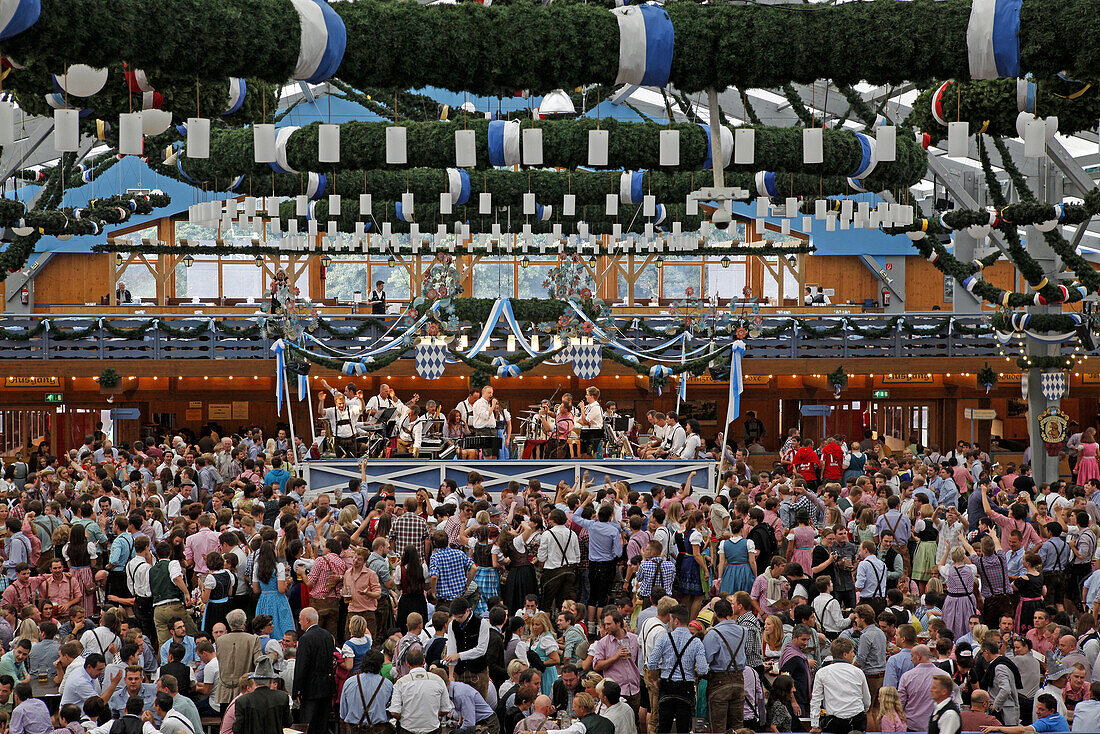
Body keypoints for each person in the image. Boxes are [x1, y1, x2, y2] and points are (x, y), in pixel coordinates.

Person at [646, 604, 706, 734]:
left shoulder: (664, 638)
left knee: (663, 728)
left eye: (670, 619)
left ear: (676, 620)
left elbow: (652, 663)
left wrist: (655, 679)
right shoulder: (696, 642)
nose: (669, 623)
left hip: (666, 686)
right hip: (686, 688)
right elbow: (702, 670)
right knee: (683, 729)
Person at [809, 637, 871, 734]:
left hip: (834, 722)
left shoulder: (822, 672)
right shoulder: (858, 672)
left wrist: (815, 725)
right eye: (852, 652)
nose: (854, 655)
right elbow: (867, 701)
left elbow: (816, 700)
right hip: (857, 721)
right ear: (845, 655)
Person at [702, 598, 746, 734]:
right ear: (731, 612)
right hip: (739, 680)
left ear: (715, 613)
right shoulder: (743, 630)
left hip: (719, 681)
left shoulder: (713, 634)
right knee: (738, 727)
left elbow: (707, 658)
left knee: (718, 726)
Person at [390, 647, 454, 734]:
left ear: (407, 664)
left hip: (407, 729)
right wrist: (432, 714)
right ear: (424, 661)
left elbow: (395, 712)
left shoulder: (401, 683)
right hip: (432, 729)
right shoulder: (437, 680)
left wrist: (407, 717)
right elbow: (446, 708)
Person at [293, 607, 336, 734]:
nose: (299, 622)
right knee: (322, 725)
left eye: (300, 619)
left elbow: (301, 666)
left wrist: (297, 691)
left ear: (307, 620)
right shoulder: (328, 635)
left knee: (308, 725)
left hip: (310, 689)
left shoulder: (305, 639)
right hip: (327, 688)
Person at [214, 609, 263, 711]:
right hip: (246, 691)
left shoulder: (220, 641)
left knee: (226, 723)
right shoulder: (253, 639)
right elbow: (259, 663)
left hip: (224, 692)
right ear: (244, 622)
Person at [231, 657, 292, 734]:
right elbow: (288, 722)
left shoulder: (242, 701)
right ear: (270, 681)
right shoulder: (282, 697)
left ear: (255, 681)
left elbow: (237, 729)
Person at [980, 693, 1070, 734]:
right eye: (1037, 708)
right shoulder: (1060, 718)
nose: (1037, 712)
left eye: (1041, 709)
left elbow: (1023, 730)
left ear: (1051, 711)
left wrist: (998, 729)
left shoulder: (1046, 722)